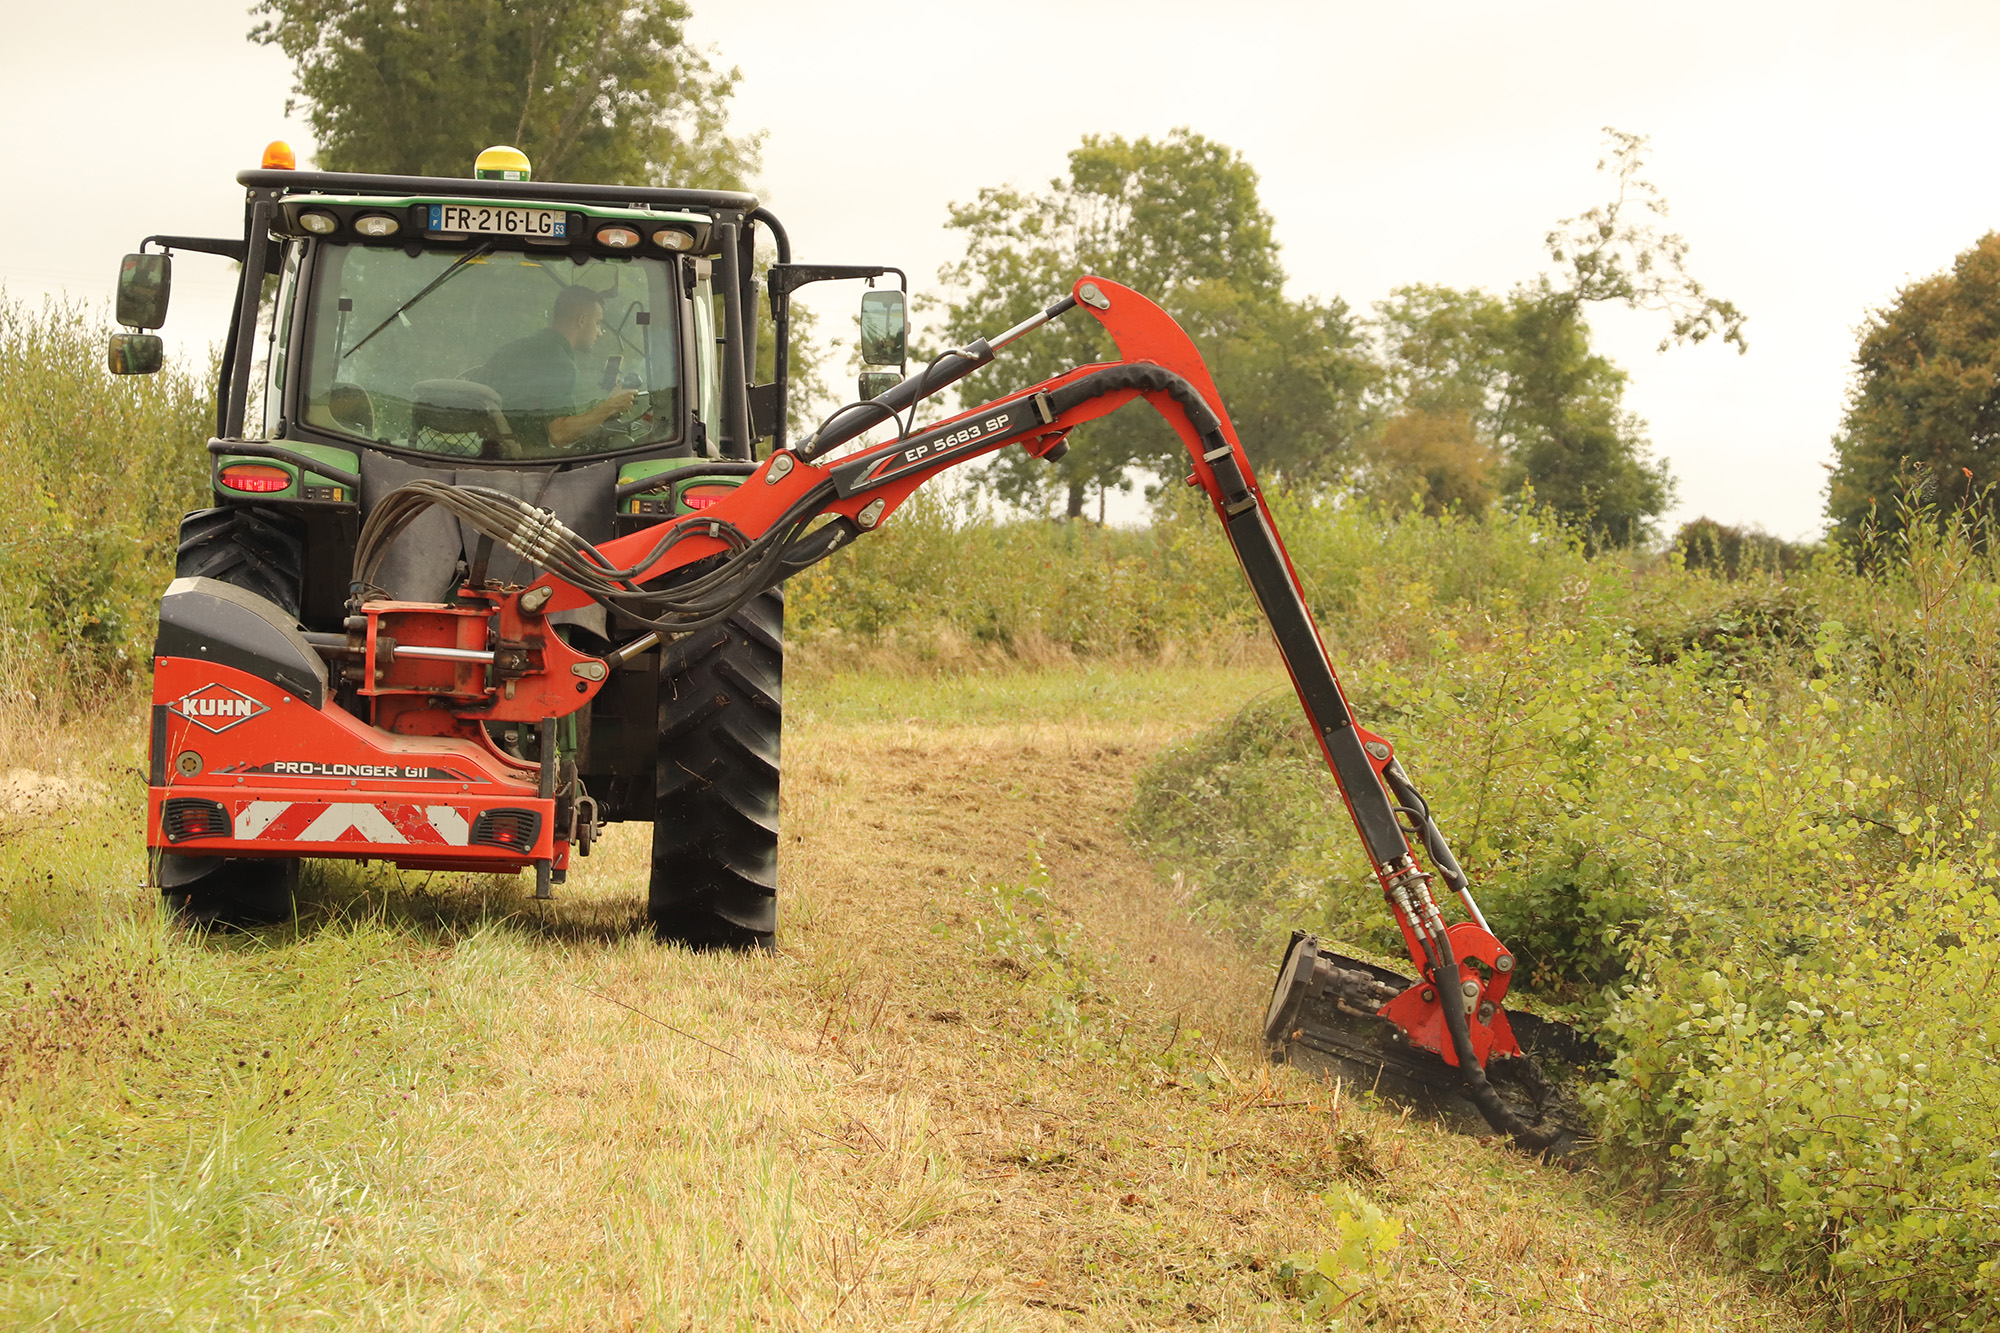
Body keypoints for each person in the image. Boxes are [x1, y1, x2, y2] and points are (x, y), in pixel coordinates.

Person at [473, 285, 636, 449]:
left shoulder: (513, 350)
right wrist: (611, 406)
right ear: (582, 320)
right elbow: (559, 434)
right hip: (531, 461)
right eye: (598, 323)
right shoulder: (560, 363)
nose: (600, 332)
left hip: (490, 456)